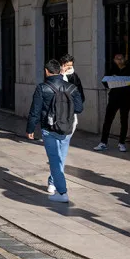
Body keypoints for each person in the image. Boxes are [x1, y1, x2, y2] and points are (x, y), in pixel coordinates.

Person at [26, 59, 84, 203]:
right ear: (60, 71)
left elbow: (35, 111)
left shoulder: (42, 88)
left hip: (49, 128)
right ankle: (53, 184)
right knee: (60, 159)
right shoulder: (71, 87)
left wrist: (30, 128)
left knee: (55, 160)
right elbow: (79, 108)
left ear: (46, 71)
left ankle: (62, 192)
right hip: (67, 128)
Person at [95, 53, 130, 152]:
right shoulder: (111, 69)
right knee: (108, 120)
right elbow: (105, 82)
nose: (119, 61)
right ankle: (103, 142)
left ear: (125, 59)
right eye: (117, 59)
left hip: (126, 98)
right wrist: (112, 79)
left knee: (124, 121)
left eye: (121, 58)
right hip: (113, 98)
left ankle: (122, 143)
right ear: (114, 60)